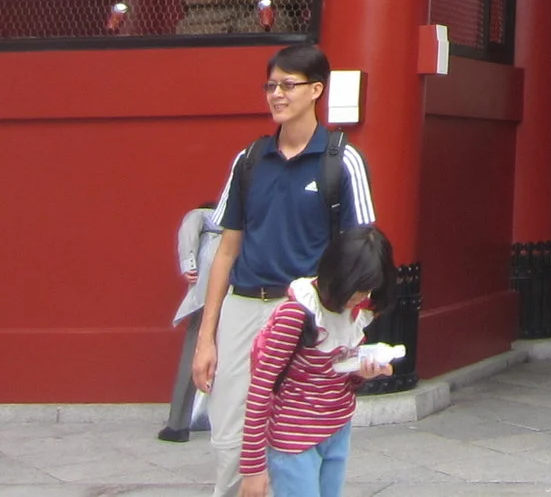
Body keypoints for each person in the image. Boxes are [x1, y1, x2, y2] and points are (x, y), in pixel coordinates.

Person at [195, 45, 377, 497]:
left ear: (316, 90)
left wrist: (351, 331)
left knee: (297, 434)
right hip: (244, 306)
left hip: (305, 315)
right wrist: (206, 336)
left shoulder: (342, 161)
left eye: (288, 85)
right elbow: (225, 251)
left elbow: (361, 253)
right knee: (230, 434)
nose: (276, 94)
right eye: (271, 85)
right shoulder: (250, 160)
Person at [237, 225, 396, 497]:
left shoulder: (355, 311)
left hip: (337, 427)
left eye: (368, 289)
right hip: (293, 438)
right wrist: (253, 468)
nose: (362, 298)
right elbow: (261, 387)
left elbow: (337, 373)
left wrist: (363, 373)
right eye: (356, 290)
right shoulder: (296, 314)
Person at [164, 201, 225, 441]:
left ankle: (178, 424)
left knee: (196, 347)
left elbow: (190, 225)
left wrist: (188, 263)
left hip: (209, 289)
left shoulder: (205, 216)